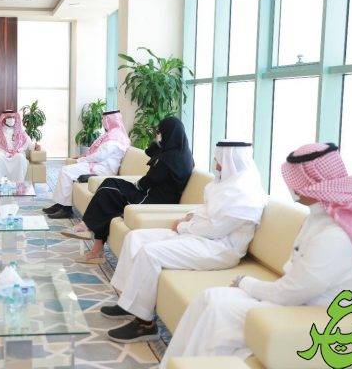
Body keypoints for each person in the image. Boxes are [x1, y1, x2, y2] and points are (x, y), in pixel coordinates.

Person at [159, 143, 352, 367]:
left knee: (218, 311)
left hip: (314, 313)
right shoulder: (323, 217)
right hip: (300, 299)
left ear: (312, 185)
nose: (292, 188)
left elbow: (291, 292)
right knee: (208, 297)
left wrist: (245, 283)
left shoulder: (334, 236)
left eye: (295, 181)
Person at [102, 141, 268, 343]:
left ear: (231, 160)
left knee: (150, 253)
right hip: (199, 236)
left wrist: (182, 226)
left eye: (219, 160)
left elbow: (216, 229)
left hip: (219, 249)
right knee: (134, 237)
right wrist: (189, 216)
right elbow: (207, 210)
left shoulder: (245, 193)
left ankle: (144, 324)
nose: (216, 164)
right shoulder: (225, 184)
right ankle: (127, 302)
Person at [62, 116, 195, 264]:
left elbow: (151, 179)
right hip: (149, 192)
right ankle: (93, 240)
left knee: (108, 195)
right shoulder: (175, 152)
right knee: (109, 183)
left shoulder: (172, 158)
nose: (159, 135)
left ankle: (90, 235)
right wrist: (158, 143)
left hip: (153, 200)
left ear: (169, 133)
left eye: (161, 132)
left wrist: (137, 186)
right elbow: (149, 152)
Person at [43, 110, 131, 219]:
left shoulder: (115, 137)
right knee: (66, 170)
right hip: (97, 165)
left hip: (102, 169)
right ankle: (60, 204)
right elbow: (97, 153)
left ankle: (66, 209)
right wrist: (82, 157)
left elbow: (99, 156)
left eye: (104, 119)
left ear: (110, 120)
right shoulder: (113, 134)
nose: (103, 122)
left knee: (66, 171)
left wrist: (81, 160)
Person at [0, 110, 41, 182]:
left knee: (20, 157)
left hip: (16, 152)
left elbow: (28, 142)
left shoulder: (19, 130)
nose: (11, 119)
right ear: (3, 119)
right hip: (2, 152)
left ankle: (18, 183)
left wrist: (35, 146)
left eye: (13, 117)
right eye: (9, 117)